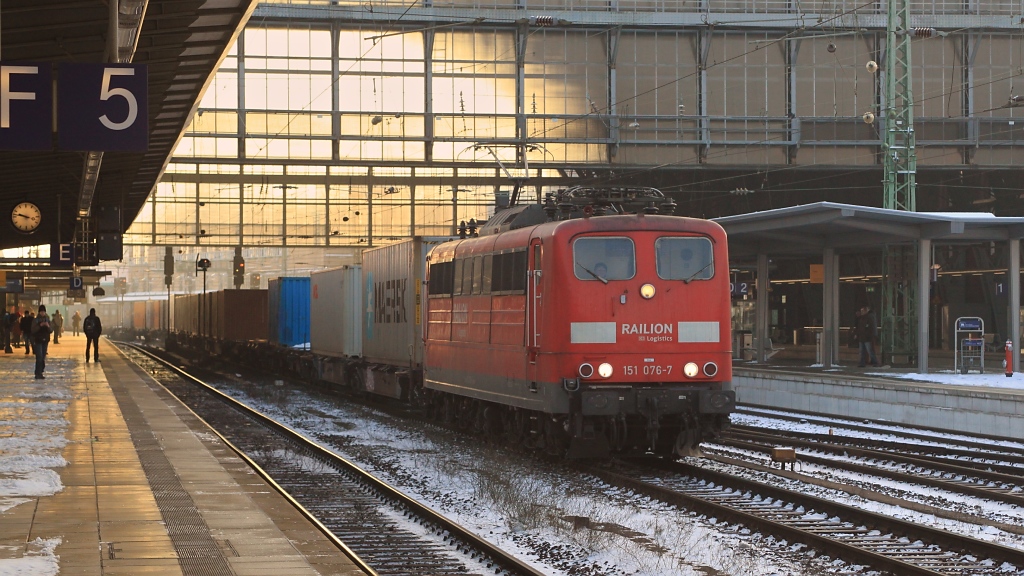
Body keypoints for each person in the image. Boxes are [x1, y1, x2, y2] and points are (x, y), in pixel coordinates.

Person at [31, 305, 52, 379]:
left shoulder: (48, 319)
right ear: (39, 312)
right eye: (41, 312)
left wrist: (48, 326)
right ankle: (38, 373)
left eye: (43, 311)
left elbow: (51, 330)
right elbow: (33, 330)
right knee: (39, 357)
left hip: (45, 340)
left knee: (43, 357)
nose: (42, 313)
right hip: (38, 340)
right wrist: (40, 325)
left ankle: (41, 371)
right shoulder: (36, 320)